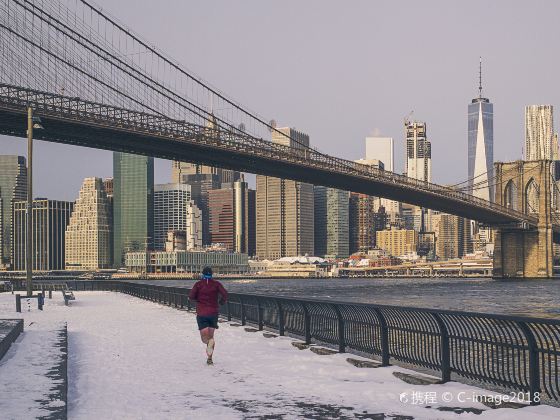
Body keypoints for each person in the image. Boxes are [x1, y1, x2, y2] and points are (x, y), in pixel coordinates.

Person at [188, 267, 228, 365]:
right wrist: (221, 302)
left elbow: (191, 297)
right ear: (212, 274)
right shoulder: (216, 284)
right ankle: (210, 359)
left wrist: (197, 299)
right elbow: (225, 294)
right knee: (211, 336)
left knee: (204, 337)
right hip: (213, 313)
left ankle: (209, 342)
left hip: (202, 313)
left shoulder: (198, 284)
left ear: (202, 274)